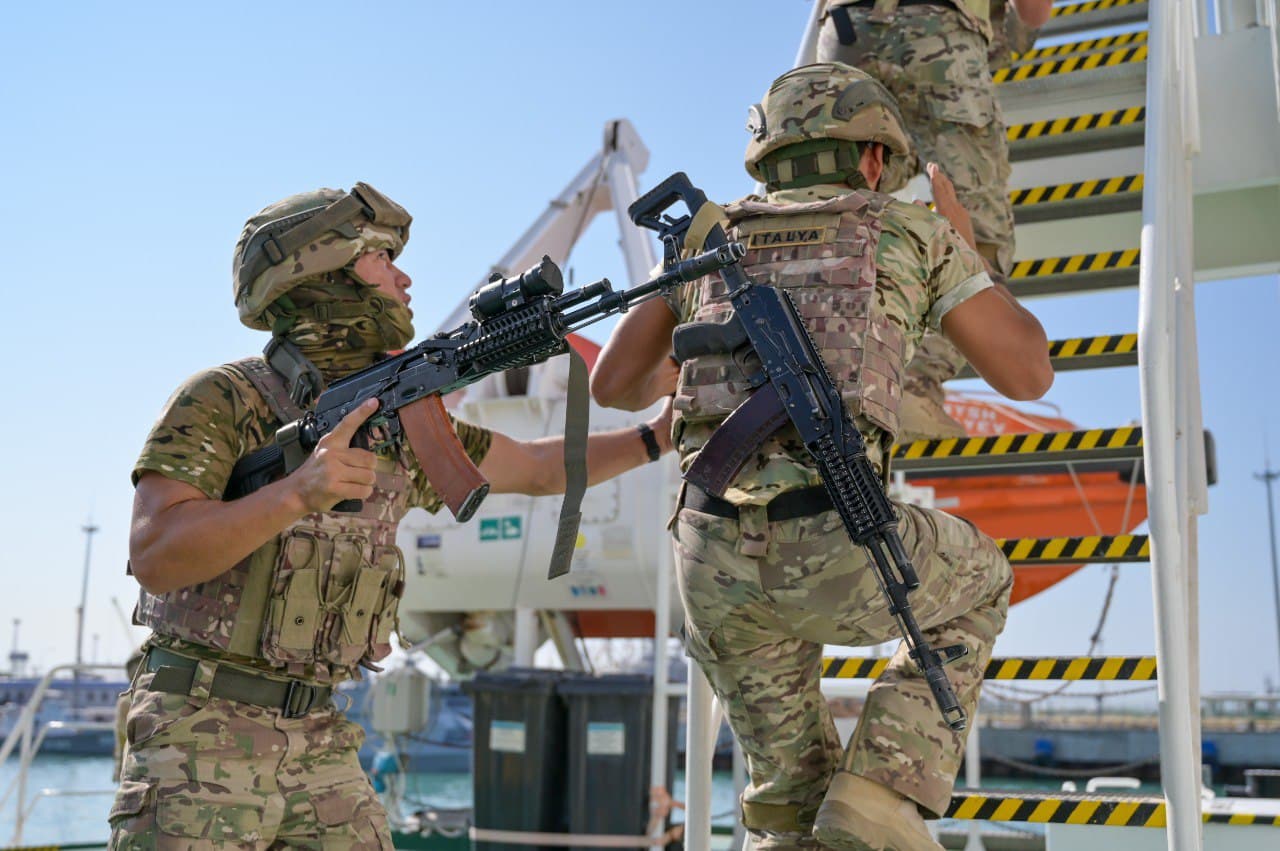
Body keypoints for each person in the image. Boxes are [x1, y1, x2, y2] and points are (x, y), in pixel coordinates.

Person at [109, 183, 674, 849]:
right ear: (320, 272)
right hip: (198, 723)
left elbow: (539, 468)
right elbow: (154, 552)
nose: (404, 277)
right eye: (381, 259)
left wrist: (658, 436)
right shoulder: (222, 398)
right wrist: (294, 494)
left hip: (320, 731)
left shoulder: (400, 417)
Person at [590, 64, 1052, 851]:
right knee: (984, 579)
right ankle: (881, 790)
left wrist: (710, 357)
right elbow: (1029, 372)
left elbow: (613, 384)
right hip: (838, 541)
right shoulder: (910, 231)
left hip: (709, 559)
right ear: (874, 160)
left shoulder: (708, 239)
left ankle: (816, 817)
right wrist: (970, 254)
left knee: (788, 804)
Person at [817, 0, 1052, 443]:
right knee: (973, 230)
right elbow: (1034, 11)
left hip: (845, 33)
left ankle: (828, 377)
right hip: (937, 30)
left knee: (837, 209)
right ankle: (913, 389)